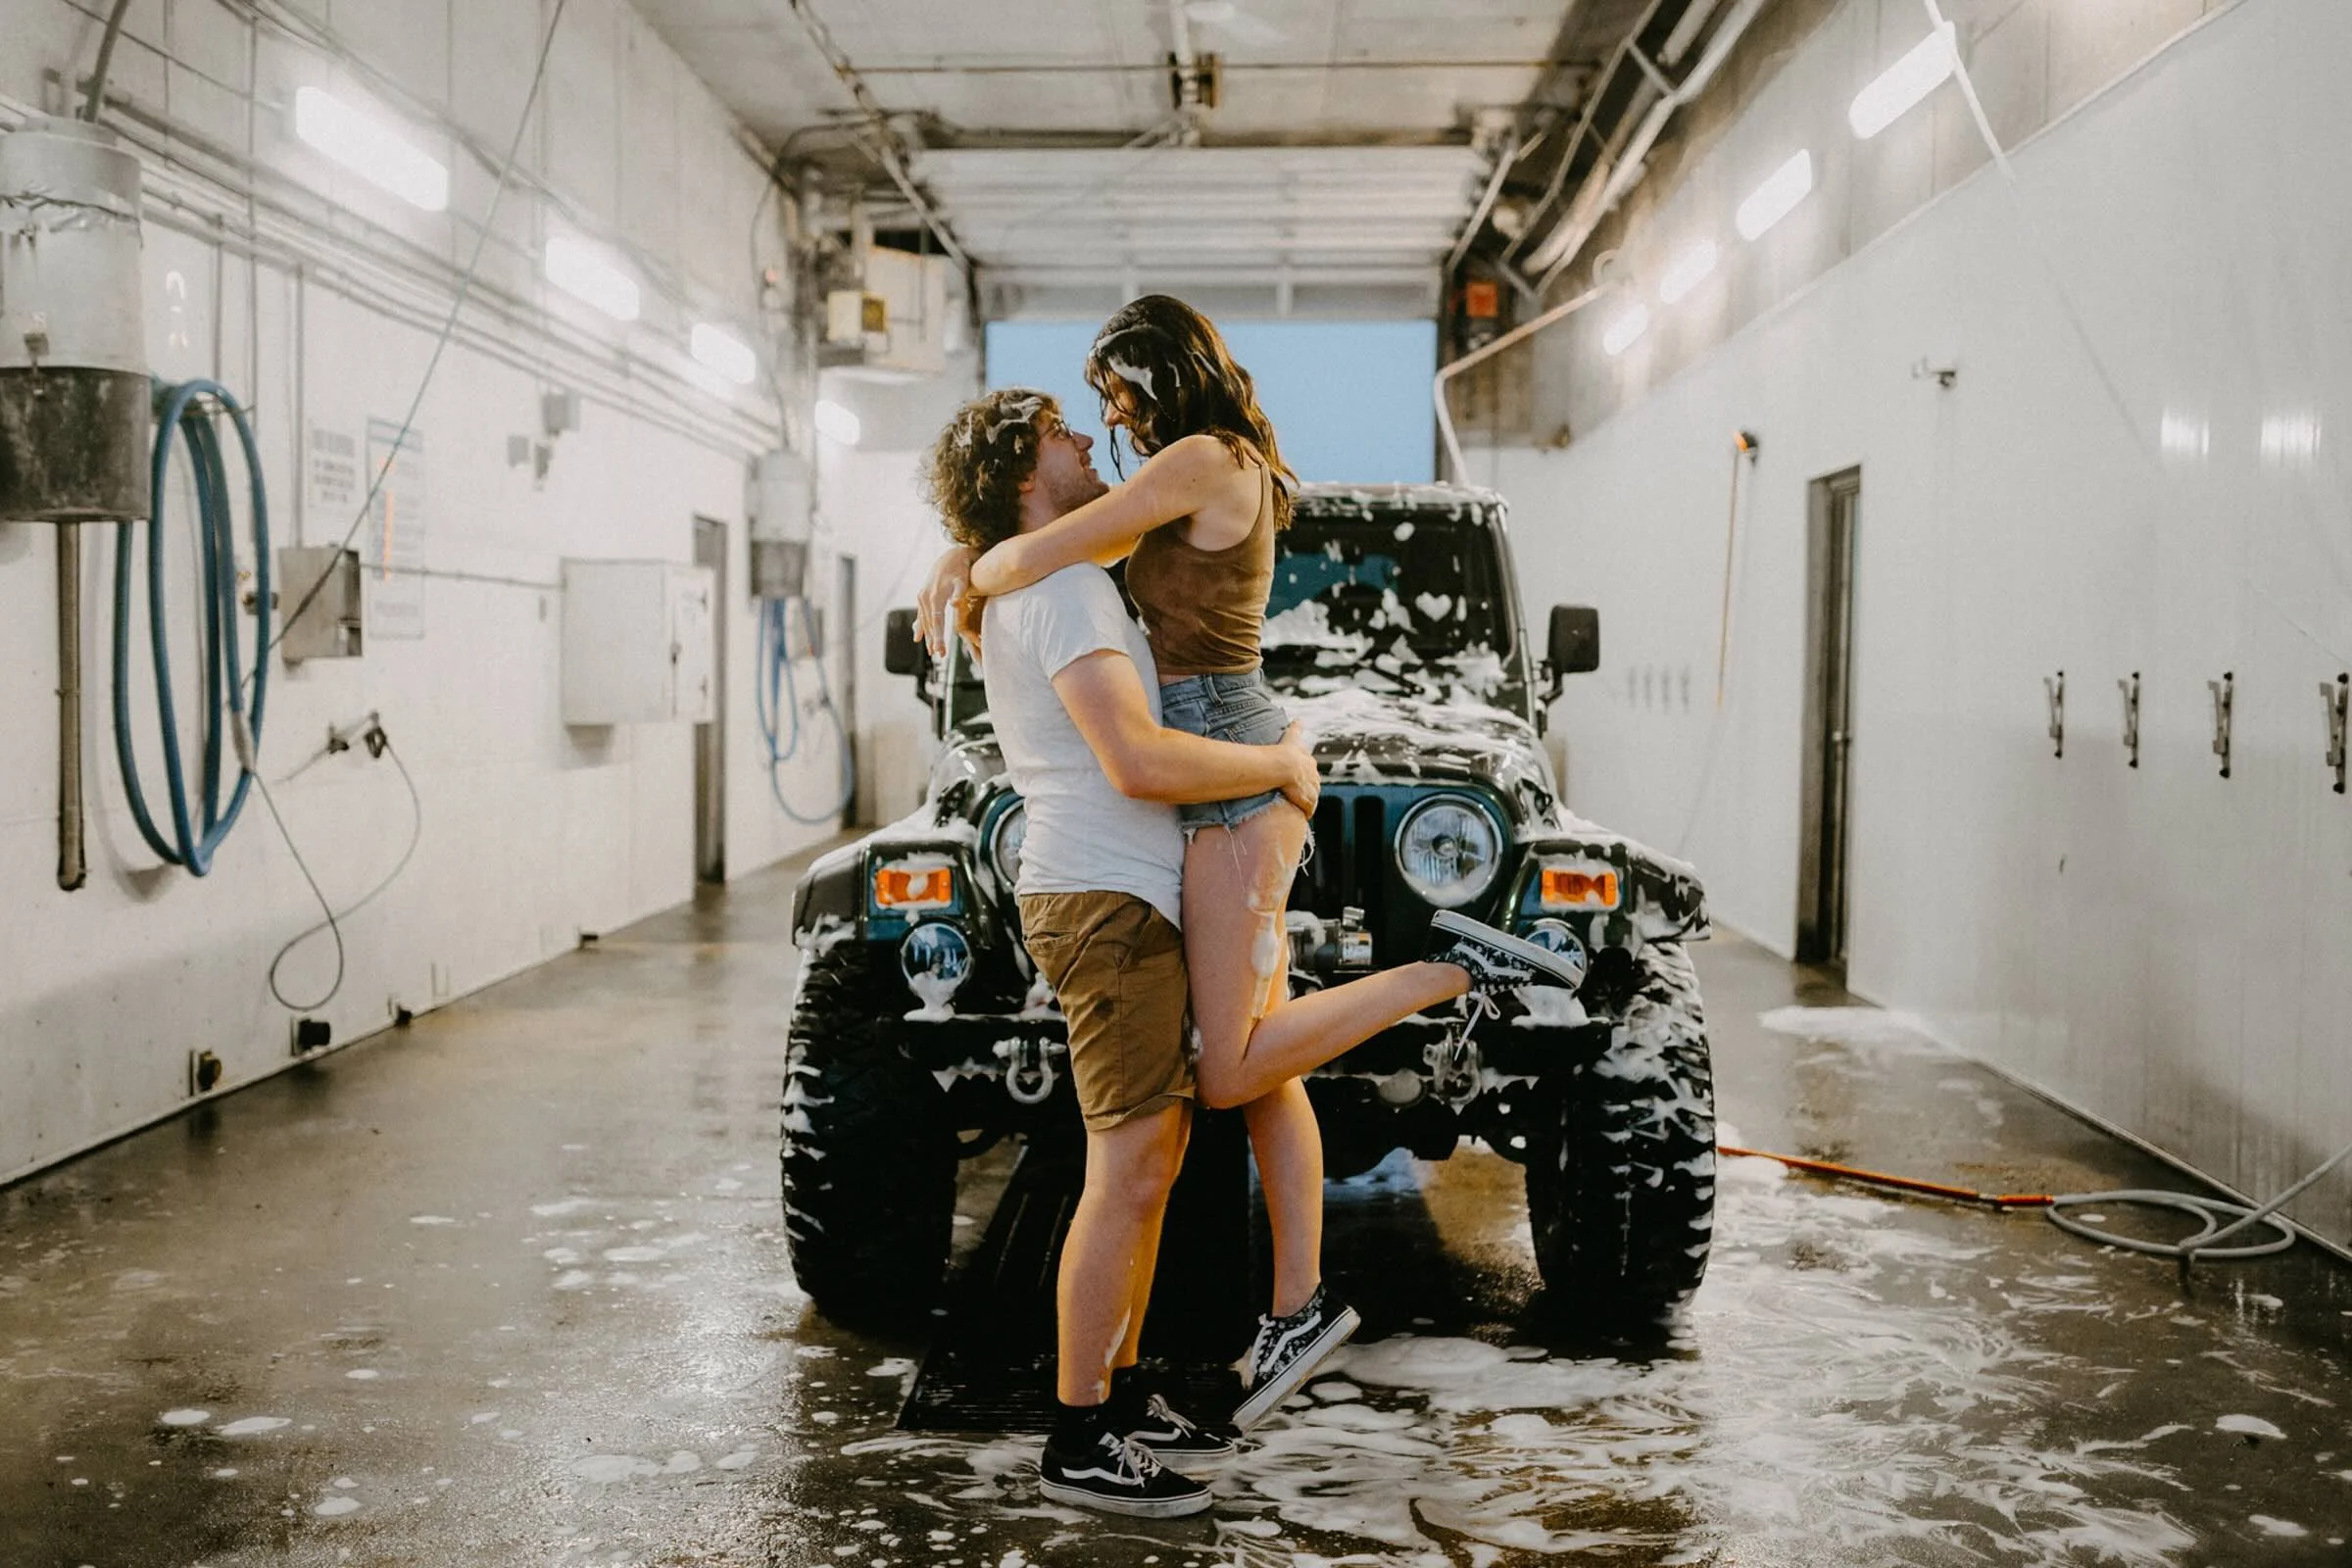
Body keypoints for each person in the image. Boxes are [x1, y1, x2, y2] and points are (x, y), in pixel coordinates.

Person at [918, 301, 1584, 1434]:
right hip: (1214, 772)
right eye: (1086, 414)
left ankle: (1451, 971)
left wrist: (969, 556)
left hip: (1228, 769)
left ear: (1161, 374)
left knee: (1229, 1068)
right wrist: (967, 547)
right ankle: (1296, 1305)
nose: (1107, 420)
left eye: (1115, 394)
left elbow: (1041, 551)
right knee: (1267, 1062)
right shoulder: (1193, 474)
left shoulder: (1203, 459)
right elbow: (1059, 551)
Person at [919, 386, 1317, 1517]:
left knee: (1150, 1164)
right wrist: (1282, 765)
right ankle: (1081, 1433)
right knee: (1128, 1170)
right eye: (1061, 432)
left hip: (1112, 894)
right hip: (1104, 899)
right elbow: (1137, 762)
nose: (1090, 440)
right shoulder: (1066, 589)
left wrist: (963, 555)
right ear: (1020, 470)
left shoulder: (1054, 573)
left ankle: (1124, 1394)